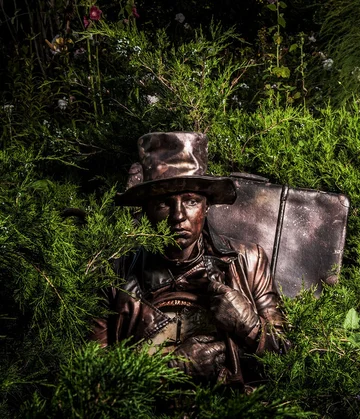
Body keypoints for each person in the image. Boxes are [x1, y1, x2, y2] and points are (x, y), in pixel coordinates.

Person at [90, 132, 287, 385]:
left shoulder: (249, 261)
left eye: (191, 201)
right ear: (146, 211)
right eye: (163, 204)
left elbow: (287, 358)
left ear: (207, 206)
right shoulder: (114, 274)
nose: (178, 216)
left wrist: (249, 327)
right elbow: (95, 375)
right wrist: (169, 370)